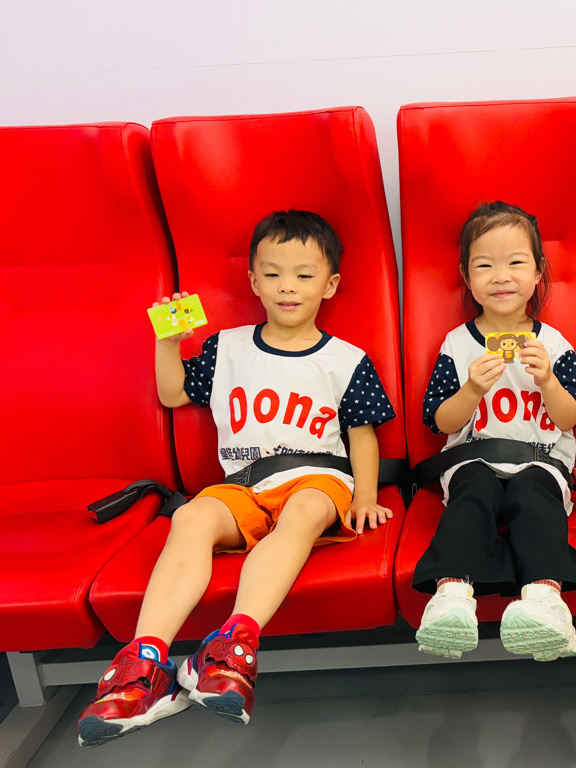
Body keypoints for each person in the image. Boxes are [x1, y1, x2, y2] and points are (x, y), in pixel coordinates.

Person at [77, 210, 395, 746]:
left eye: (304, 275)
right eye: (272, 274)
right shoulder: (228, 348)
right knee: (192, 515)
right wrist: (168, 341)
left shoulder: (346, 359)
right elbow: (173, 394)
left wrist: (365, 494)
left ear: (330, 284)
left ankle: (232, 644)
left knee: (305, 510)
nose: (287, 286)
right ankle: (144, 663)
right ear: (253, 281)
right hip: (243, 485)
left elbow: (362, 434)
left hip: (317, 477)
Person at [412, 201, 576, 662]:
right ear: (466, 276)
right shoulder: (457, 344)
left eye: (515, 263)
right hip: (473, 458)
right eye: (484, 266)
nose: (501, 277)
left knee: (534, 495)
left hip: (540, 460)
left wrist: (548, 380)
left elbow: (573, 417)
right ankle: (451, 596)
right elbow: (440, 422)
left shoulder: (553, 344)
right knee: (472, 491)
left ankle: (545, 600)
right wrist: (472, 389)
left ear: (538, 272)